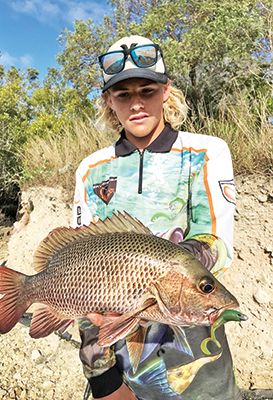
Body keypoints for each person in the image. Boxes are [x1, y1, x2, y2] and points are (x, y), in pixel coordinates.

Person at [72, 35, 240, 400]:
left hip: (199, 370)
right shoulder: (91, 170)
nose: (136, 104)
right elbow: (79, 279)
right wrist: (102, 379)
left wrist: (159, 274)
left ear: (166, 91)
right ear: (108, 102)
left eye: (147, 90)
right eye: (122, 95)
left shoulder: (206, 152)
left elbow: (218, 247)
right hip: (121, 370)